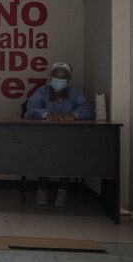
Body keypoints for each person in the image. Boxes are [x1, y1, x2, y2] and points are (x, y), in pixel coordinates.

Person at [23, 61, 92, 206]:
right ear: (51, 77)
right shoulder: (42, 92)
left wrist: (73, 115)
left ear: (68, 79)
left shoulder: (75, 94)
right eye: (56, 75)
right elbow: (31, 108)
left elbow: (86, 110)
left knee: (65, 158)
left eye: (63, 76)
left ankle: (63, 192)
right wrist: (47, 115)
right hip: (44, 136)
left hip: (68, 138)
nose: (59, 79)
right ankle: (42, 190)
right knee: (44, 157)